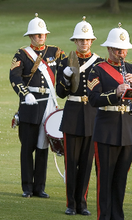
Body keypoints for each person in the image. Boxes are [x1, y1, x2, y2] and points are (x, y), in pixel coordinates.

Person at [9, 13, 66, 198]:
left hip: (48, 103)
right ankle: (27, 187)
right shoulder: (22, 54)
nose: (40, 37)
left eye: (42, 34)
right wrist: (25, 95)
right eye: (36, 34)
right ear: (30, 36)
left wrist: (69, 72)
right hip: (30, 104)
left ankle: (39, 187)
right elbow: (14, 77)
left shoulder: (55, 52)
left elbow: (67, 68)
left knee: (43, 146)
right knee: (28, 147)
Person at [56, 17, 102, 216]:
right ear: (75, 41)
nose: (84, 42)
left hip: (92, 117)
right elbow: (61, 92)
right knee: (71, 162)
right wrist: (65, 76)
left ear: (92, 41)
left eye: (87, 39)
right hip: (73, 115)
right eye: (80, 40)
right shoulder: (66, 62)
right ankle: (71, 203)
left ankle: (82, 202)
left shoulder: (100, 63)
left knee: (86, 162)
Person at [87, 23, 132, 220]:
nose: (121, 54)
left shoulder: (131, 69)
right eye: (117, 50)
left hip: (128, 131)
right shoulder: (97, 70)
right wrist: (116, 92)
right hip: (106, 130)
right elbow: (94, 99)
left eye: (123, 50)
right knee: (105, 180)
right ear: (108, 49)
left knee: (121, 180)